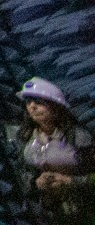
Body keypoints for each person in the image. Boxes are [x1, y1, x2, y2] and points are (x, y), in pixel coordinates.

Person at [18, 77, 94, 221]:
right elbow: (23, 171)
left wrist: (71, 181)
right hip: (51, 212)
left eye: (39, 103)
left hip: (84, 208)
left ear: (56, 107)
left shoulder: (79, 137)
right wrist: (36, 182)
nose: (32, 107)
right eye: (28, 102)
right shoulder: (26, 138)